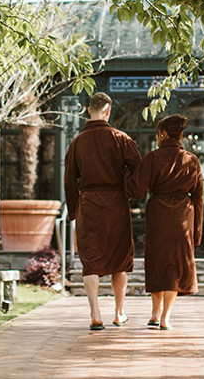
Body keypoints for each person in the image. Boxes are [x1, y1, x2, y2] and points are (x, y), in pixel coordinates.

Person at [64, 92, 142, 330]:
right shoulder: (121, 139)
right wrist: (128, 191)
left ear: (89, 110)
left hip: (88, 204)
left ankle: (95, 313)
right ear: (108, 112)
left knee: (91, 260)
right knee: (120, 260)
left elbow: (69, 180)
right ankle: (119, 312)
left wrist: (74, 211)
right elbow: (139, 172)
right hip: (116, 205)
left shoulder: (77, 142)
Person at [125, 114, 203, 330]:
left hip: (158, 214)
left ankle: (154, 312)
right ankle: (165, 317)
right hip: (183, 217)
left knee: (157, 261)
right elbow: (198, 198)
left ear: (163, 134)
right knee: (176, 266)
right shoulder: (192, 160)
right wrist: (196, 233)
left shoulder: (152, 158)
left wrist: (125, 175)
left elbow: (136, 190)